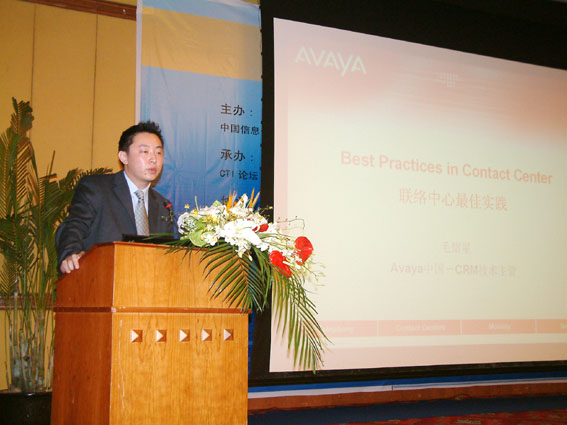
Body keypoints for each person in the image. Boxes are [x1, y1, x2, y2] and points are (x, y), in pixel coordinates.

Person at [56, 121, 175, 274]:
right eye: (145, 151)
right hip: (100, 279)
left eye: (158, 153)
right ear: (123, 157)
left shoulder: (163, 206)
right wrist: (70, 254)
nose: (153, 159)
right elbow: (74, 226)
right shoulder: (97, 189)